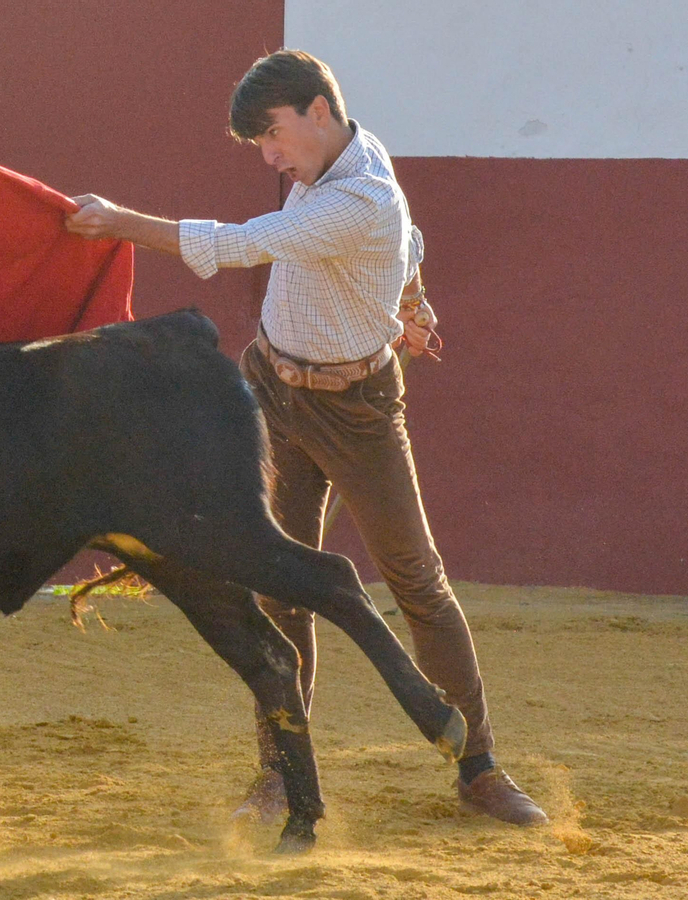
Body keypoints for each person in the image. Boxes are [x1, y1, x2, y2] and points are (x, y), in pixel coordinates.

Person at [63, 49, 546, 826]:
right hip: (273, 392)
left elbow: (240, 245)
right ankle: (283, 772)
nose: (269, 156)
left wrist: (119, 223)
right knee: (277, 581)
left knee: (417, 582)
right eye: (259, 143)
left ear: (317, 110)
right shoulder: (348, 153)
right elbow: (412, 243)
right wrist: (414, 300)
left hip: (357, 410)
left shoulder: (361, 196)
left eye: (273, 135)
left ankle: (480, 768)